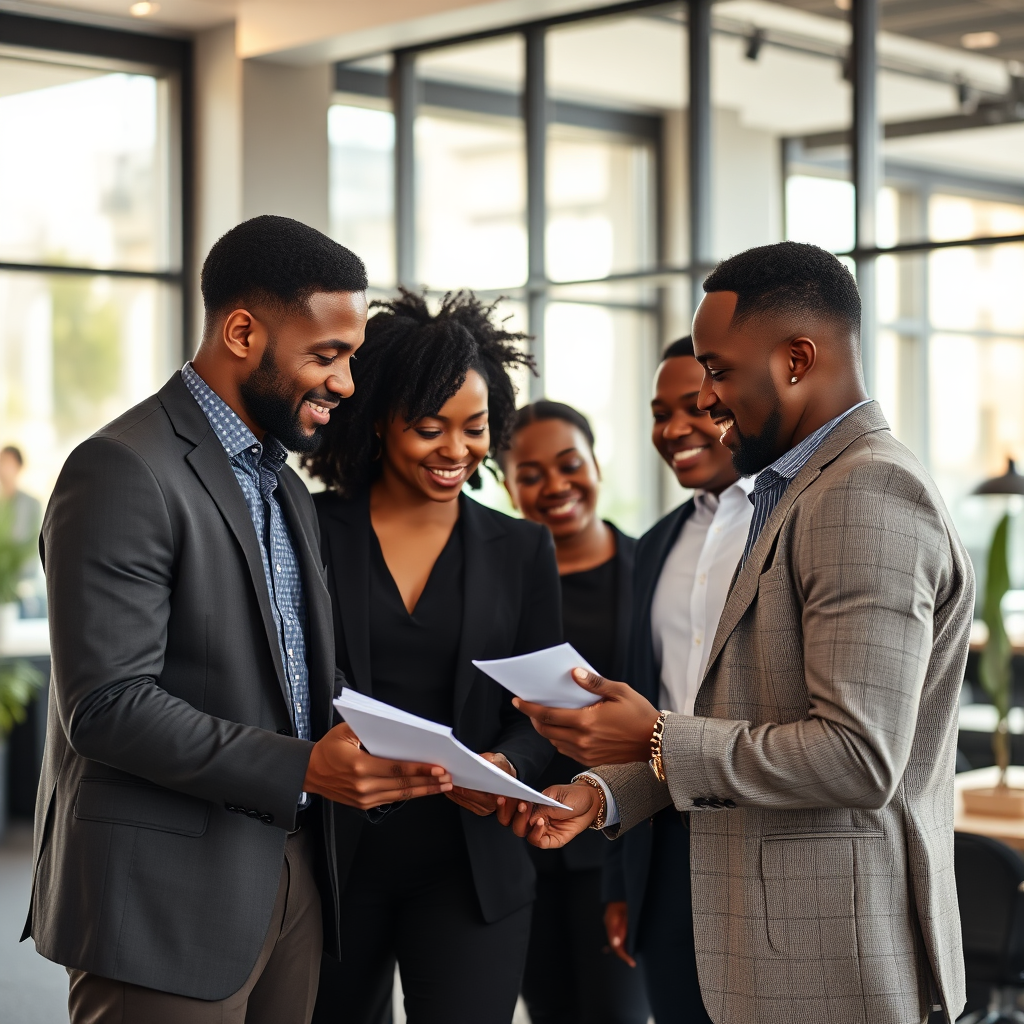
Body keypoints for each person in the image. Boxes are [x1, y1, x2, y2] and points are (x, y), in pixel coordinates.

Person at [511, 241, 975, 1024]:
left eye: (719, 373)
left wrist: (656, 735)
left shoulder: (867, 493)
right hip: (760, 942)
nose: (711, 401)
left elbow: (857, 757)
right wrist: (602, 792)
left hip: (830, 955)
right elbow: (756, 721)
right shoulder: (796, 494)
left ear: (797, 359)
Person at [24, 216, 453, 1024]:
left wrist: (416, 757)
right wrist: (302, 768)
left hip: (290, 880)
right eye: (326, 356)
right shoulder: (121, 469)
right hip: (163, 899)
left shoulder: (283, 485)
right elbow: (107, 708)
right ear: (243, 330)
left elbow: (297, 680)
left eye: (351, 357)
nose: (347, 384)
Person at [305, 290, 561, 1024]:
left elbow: (544, 711)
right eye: (429, 428)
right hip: (335, 861)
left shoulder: (521, 549)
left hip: (471, 868)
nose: (456, 451)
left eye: (474, 428)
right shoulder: (312, 528)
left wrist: (511, 768)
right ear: (381, 420)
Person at [598, 338, 749, 1024]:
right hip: (667, 852)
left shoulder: (790, 523)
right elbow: (643, 715)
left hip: (767, 834)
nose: (673, 429)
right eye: (660, 412)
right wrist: (622, 879)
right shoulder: (656, 543)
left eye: (694, 407)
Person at [501, 400, 649, 1024]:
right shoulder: (499, 584)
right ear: (507, 486)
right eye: (529, 474)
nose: (554, 486)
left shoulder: (651, 572)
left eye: (569, 465)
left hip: (618, 838)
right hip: (522, 843)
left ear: (595, 465)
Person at [0, 445, 42, 547]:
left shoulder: (32, 504)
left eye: (7, 462)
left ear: (18, 466)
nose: (2, 467)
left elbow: (33, 544)